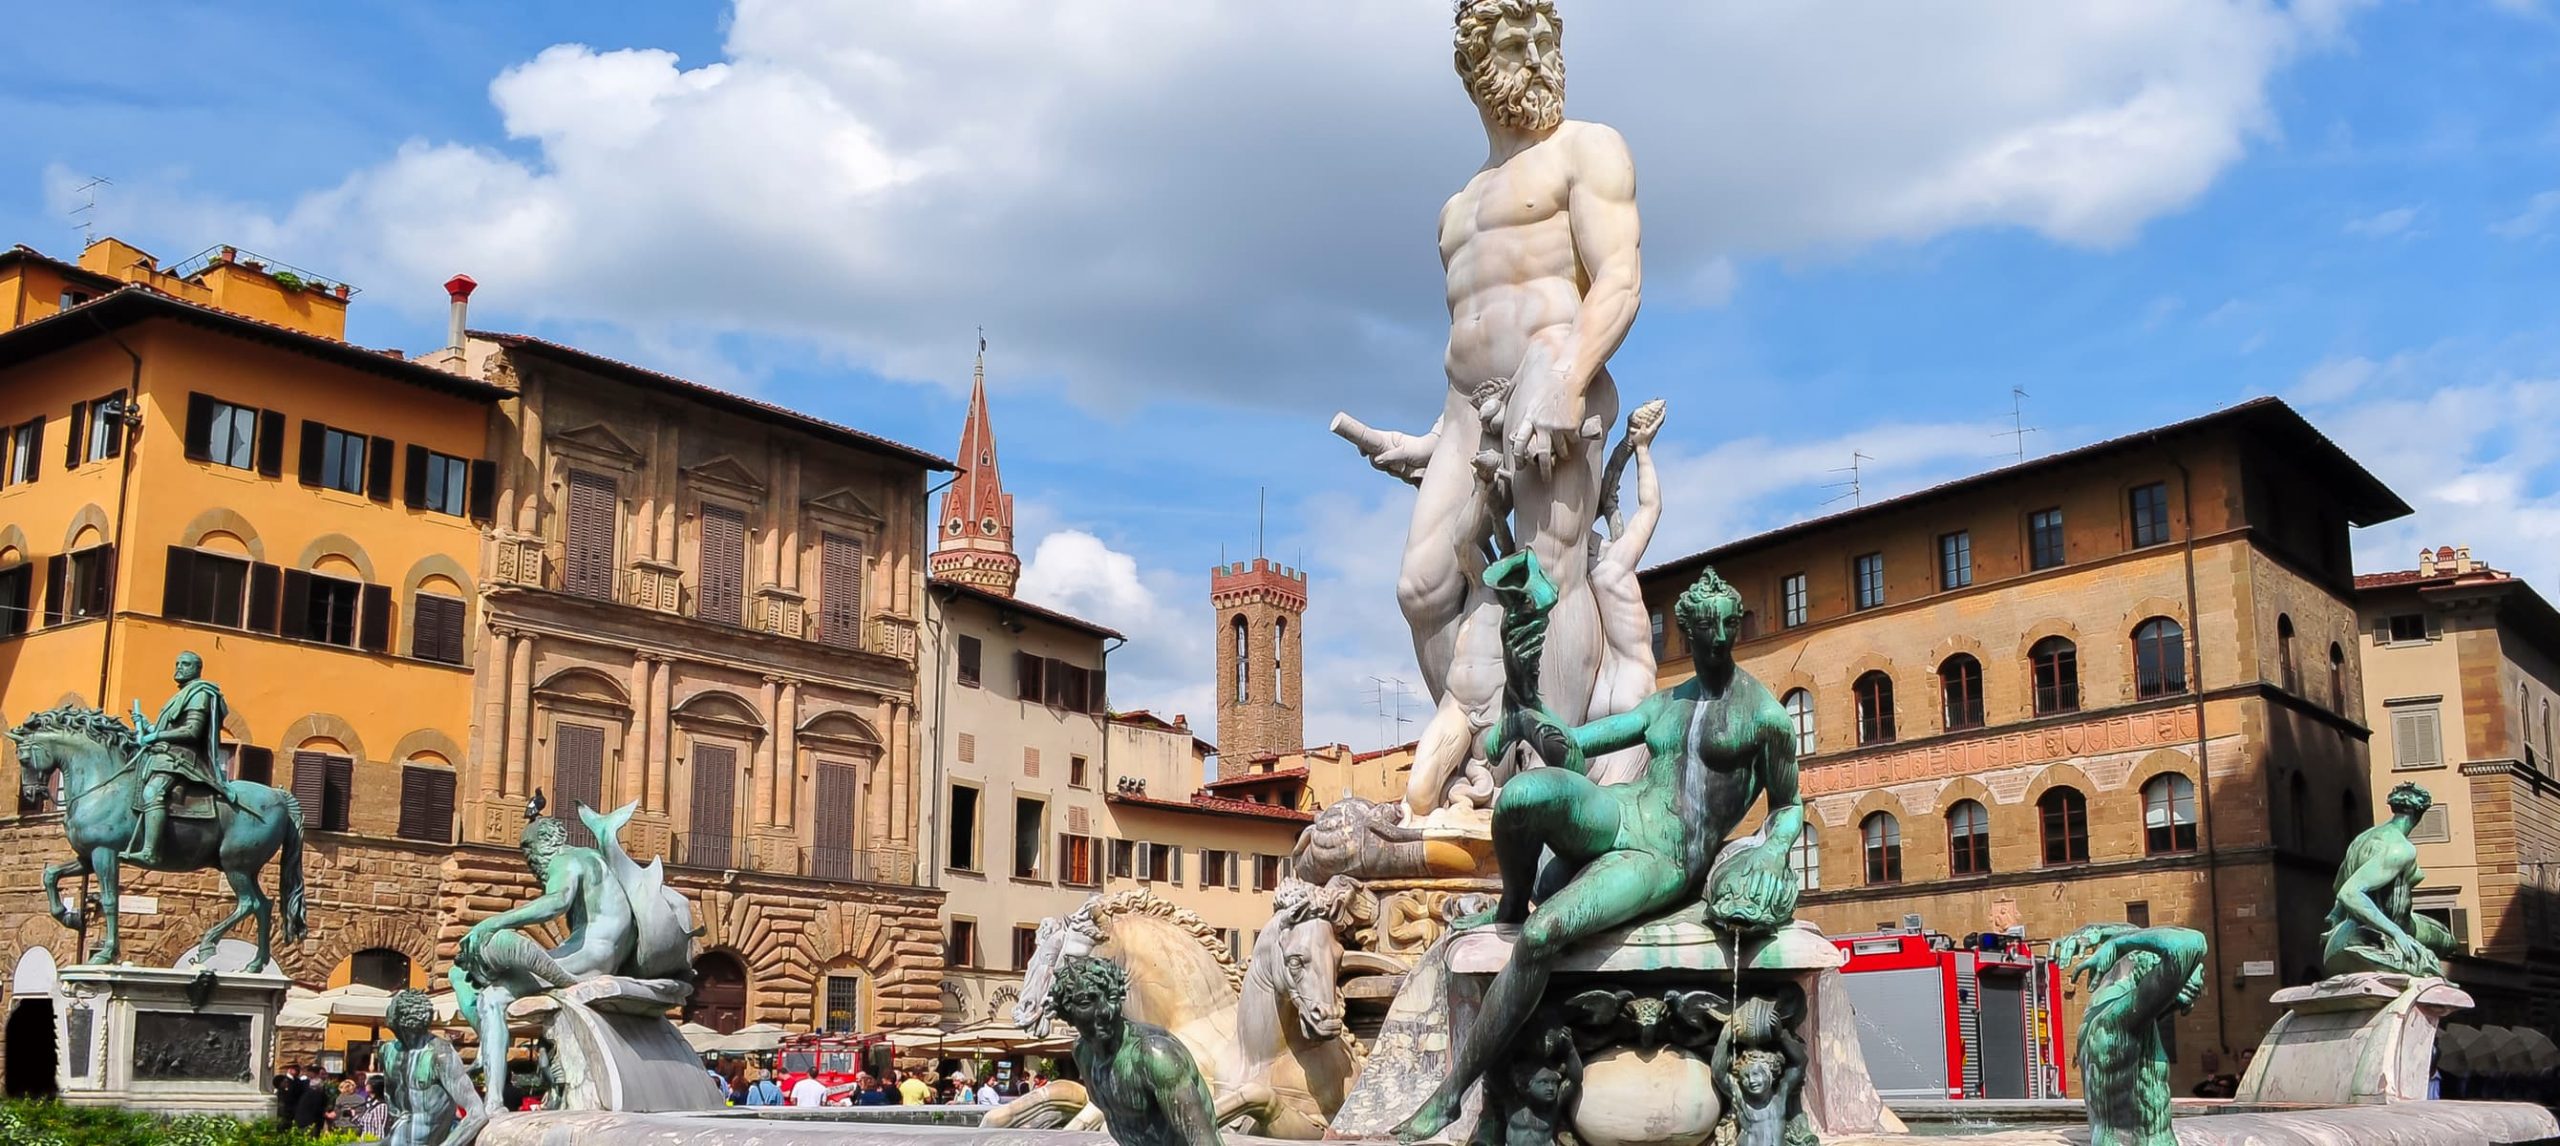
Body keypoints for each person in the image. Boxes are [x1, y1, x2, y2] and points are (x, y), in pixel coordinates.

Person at [1334, 0, 1642, 820]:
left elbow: (1618, 279)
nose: (1539, 51)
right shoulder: (1457, 208)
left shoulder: (1588, 149)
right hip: (1468, 409)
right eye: (1518, 38)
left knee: (1548, 579)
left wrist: (1570, 374)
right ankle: (1480, 755)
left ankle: (1546, 780)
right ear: (1476, 59)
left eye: (1549, 36)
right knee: (1423, 586)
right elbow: (1469, 337)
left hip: (1555, 376)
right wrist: (1429, 441)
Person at [1393, 562, 1806, 1142]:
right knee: (1523, 794)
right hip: (1621, 808)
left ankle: (1450, 1093)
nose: (1713, 637)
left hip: (1664, 856)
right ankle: (1511, 902)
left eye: (1724, 626)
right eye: (1701, 627)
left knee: (1544, 937)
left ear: (1735, 627)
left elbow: (1789, 805)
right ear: (1686, 631)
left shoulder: (1765, 718)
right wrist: (1527, 705)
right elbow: (1579, 748)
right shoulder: (1666, 705)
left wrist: (1770, 852)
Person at [120, 651, 231, 864]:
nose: (179, 667)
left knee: (153, 792)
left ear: (197, 669)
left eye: (186, 664)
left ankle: (150, 851)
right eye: (177, 663)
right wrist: (147, 725)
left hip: (182, 759)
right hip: (164, 754)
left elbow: (191, 731)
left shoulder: (200, 693)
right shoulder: (181, 694)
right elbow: (172, 729)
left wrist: (155, 735)